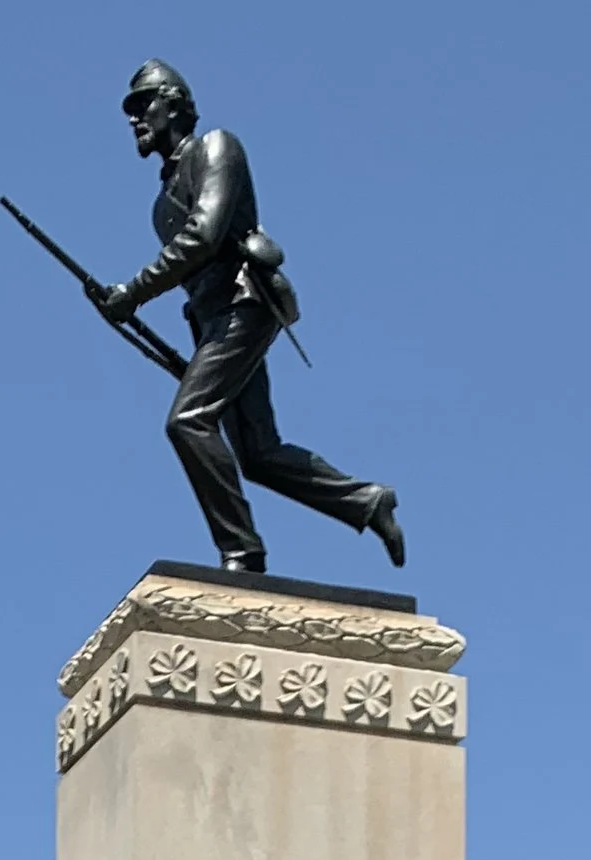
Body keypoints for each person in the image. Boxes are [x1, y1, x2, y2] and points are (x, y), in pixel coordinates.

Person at [99, 63, 404, 581]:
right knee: (259, 454)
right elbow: (195, 278)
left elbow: (205, 236)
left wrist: (133, 292)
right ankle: (367, 502)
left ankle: (242, 552)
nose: (134, 119)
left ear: (174, 103)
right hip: (213, 323)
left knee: (188, 421)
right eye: (130, 109)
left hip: (247, 306)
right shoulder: (159, 203)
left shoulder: (216, 147)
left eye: (142, 104)